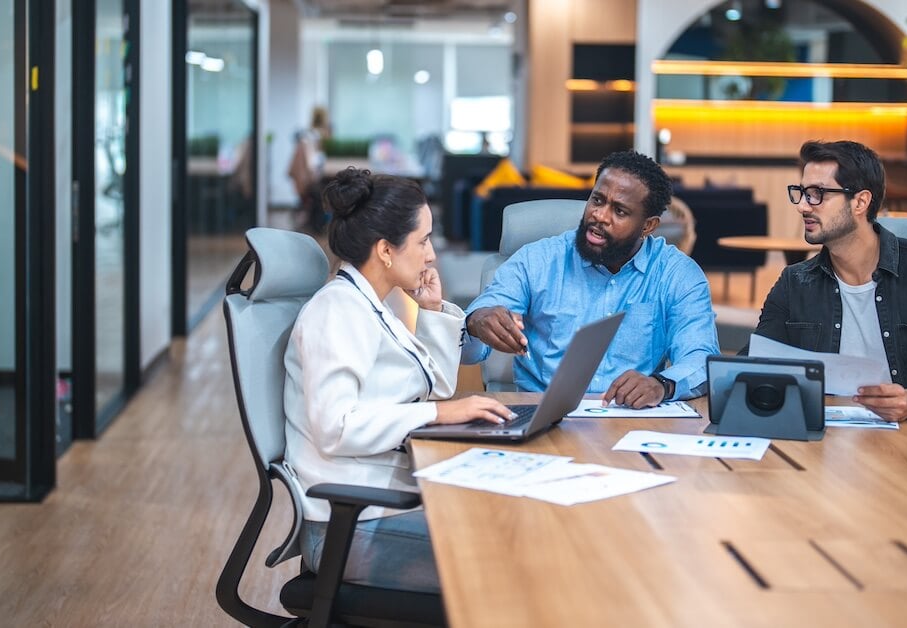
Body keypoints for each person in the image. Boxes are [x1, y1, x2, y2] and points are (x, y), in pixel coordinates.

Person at [284, 168, 513, 594]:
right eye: (423, 240)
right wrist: (442, 413)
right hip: (349, 528)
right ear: (386, 249)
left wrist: (431, 310)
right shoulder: (337, 311)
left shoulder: (373, 305)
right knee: (502, 555)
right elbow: (336, 427)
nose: (431, 255)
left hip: (380, 506)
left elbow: (433, 390)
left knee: (508, 525)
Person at [747, 140, 907, 434]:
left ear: (860, 202)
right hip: (823, 443)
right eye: (801, 193)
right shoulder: (795, 283)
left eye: (817, 195)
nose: (802, 206)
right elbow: (754, 364)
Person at [461, 150, 719, 408]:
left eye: (619, 211)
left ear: (648, 226)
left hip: (630, 419)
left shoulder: (677, 274)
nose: (600, 216)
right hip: (543, 414)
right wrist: (475, 321)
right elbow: (469, 350)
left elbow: (701, 357)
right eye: (597, 200)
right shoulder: (536, 260)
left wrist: (662, 384)